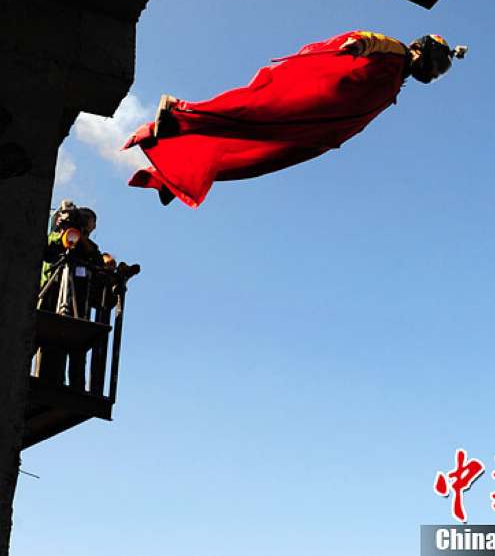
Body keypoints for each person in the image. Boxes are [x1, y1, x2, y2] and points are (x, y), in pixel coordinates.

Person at [123, 30, 467, 209]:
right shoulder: (395, 52)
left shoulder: (397, 80)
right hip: (316, 104)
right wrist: (353, 45)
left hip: (321, 128)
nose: (432, 72)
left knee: (262, 155)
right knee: (255, 114)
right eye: (436, 65)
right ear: (425, 51)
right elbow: (367, 40)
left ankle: (175, 175)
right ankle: (180, 114)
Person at [38, 202, 104, 389]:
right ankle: (47, 379)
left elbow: (96, 261)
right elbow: (49, 252)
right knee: (46, 337)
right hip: (52, 293)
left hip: (77, 299)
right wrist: (63, 232)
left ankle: (76, 385)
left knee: (76, 342)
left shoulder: (88, 246)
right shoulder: (57, 237)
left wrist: (80, 238)